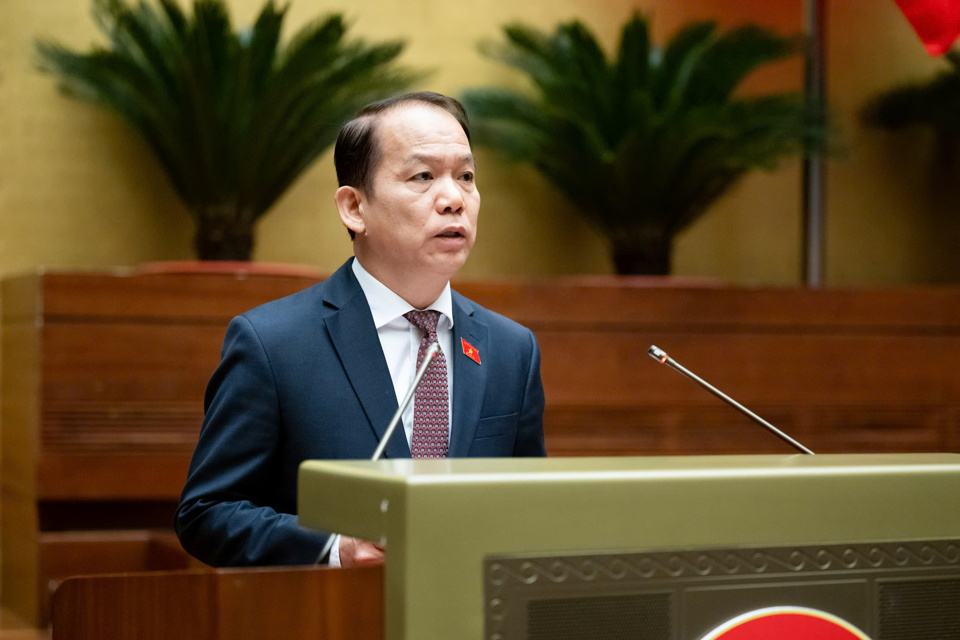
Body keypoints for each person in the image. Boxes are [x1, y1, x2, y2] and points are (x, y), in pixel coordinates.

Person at [175, 91, 547, 568]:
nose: (454, 199)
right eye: (423, 176)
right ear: (354, 207)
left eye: (466, 176)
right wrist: (334, 547)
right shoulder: (273, 344)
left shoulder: (511, 349)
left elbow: (531, 509)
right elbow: (206, 513)